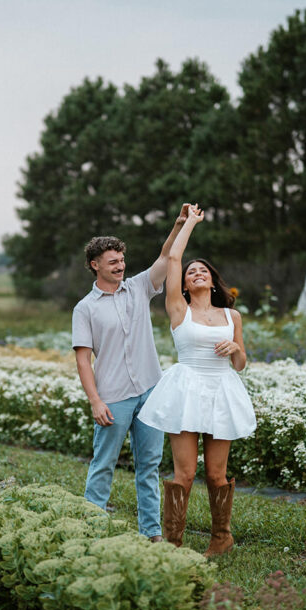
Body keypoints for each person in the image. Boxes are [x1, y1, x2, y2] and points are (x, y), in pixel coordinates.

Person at [138, 203, 256, 557]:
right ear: (185, 285)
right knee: (185, 474)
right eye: (192, 272)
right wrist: (189, 222)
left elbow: (240, 364)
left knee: (217, 476)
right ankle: (174, 544)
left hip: (222, 388)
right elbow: (173, 260)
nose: (196, 272)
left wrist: (236, 346)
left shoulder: (231, 314)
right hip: (186, 389)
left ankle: (222, 538)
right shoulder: (179, 309)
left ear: (213, 279)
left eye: (203, 270)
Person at [72, 206, 190, 542]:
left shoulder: (139, 287)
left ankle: (151, 535)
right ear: (95, 265)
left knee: (149, 467)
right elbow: (83, 360)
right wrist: (95, 401)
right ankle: (90, 531)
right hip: (113, 398)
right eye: (113, 262)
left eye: (122, 260)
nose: (120, 266)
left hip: (151, 391)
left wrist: (178, 225)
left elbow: (167, 258)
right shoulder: (85, 308)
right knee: (103, 465)